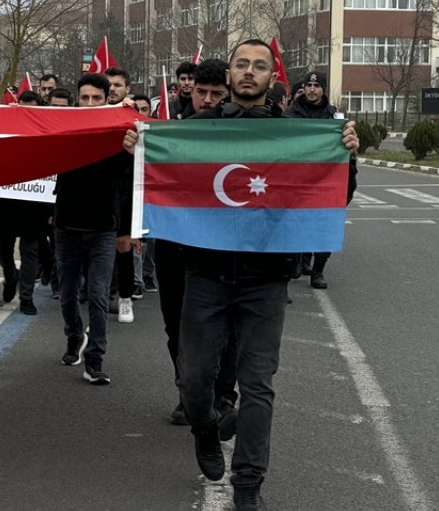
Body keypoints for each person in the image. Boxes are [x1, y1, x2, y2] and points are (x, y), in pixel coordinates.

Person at [125, 39, 358, 510]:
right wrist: (138, 149)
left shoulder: (294, 132)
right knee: (193, 380)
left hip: (266, 279)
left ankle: (249, 484)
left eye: (259, 66)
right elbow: (158, 182)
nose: (249, 72)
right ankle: (205, 428)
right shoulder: (194, 129)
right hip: (205, 276)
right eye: (241, 64)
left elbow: (333, 195)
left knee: (258, 386)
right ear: (229, 74)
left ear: (273, 77)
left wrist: (347, 156)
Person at [151, 58, 238, 427]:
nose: (207, 100)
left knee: (226, 327)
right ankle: (188, 392)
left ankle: (221, 394)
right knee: (177, 324)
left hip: (225, 250)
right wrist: (136, 153)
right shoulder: (170, 132)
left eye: (216, 94)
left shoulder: (249, 134)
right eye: (201, 92)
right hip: (176, 247)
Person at [55, 72, 136, 386]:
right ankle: (74, 335)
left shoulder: (119, 135)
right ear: (78, 99)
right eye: (84, 98)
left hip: (103, 229)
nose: (89, 103)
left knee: (100, 296)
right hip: (67, 228)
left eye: (96, 98)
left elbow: (128, 184)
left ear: (107, 100)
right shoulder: (62, 130)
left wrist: (126, 231)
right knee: (66, 295)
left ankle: (95, 360)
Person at [0, 90, 53, 315]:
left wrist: (51, 207)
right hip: (7, 199)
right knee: (2, 247)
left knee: (30, 251)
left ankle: (26, 297)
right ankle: (10, 275)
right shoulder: (5, 132)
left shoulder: (48, 135)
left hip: (35, 202)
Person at [285, 70, 341, 289]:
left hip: (324, 179)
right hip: (296, 179)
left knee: (323, 226)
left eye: (316, 86)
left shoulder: (333, 116)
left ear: (323, 89)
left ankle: (318, 272)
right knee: (293, 226)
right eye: (308, 85)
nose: (312, 89)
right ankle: (292, 269)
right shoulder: (291, 114)